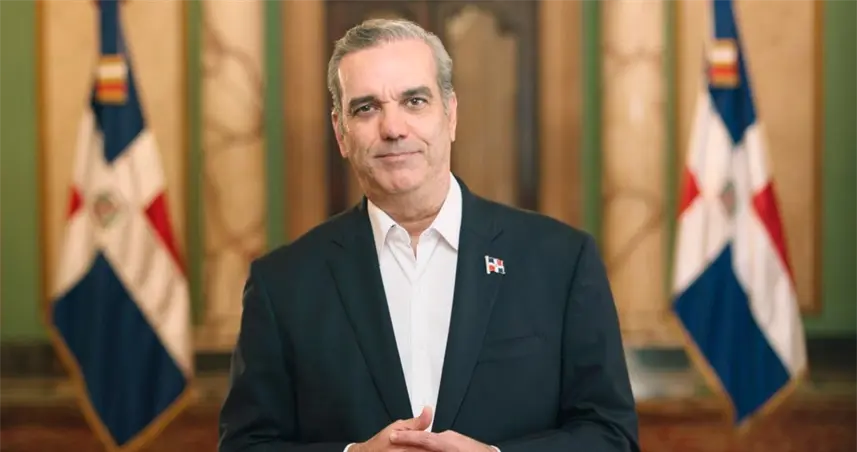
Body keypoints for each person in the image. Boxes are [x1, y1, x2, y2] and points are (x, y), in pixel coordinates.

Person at [218, 18, 639, 452]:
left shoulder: (561, 261)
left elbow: (612, 436)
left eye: (414, 101)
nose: (393, 128)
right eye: (366, 108)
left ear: (450, 115)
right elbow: (245, 446)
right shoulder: (282, 284)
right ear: (341, 133)